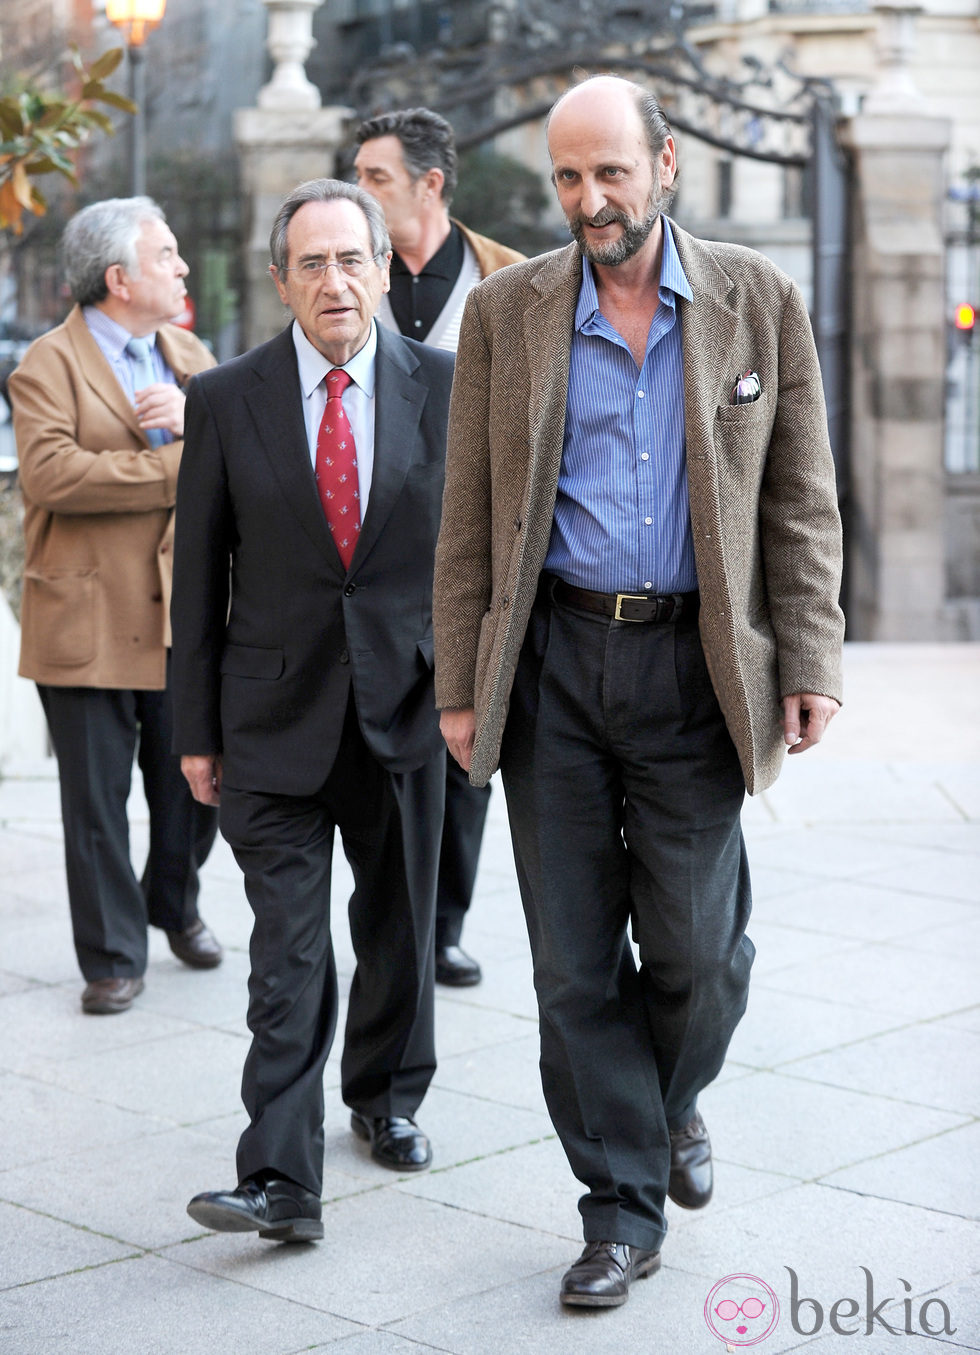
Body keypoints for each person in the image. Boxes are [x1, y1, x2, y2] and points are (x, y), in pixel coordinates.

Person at [433, 76, 845, 1309]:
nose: (587, 200)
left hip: (692, 663)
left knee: (696, 951)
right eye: (566, 178)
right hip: (553, 662)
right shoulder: (506, 314)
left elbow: (799, 496)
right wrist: (461, 682)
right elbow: (465, 515)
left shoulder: (756, 303)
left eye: (609, 172)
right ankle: (617, 1205)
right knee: (571, 963)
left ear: (663, 165)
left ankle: (666, 1106)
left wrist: (811, 658)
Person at [171, 178, 454, 1243]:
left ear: (383, 267)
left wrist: (475, 695)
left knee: (397, 928)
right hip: (269, 717)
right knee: (285, 950)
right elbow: (198, 576)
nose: (333, 281)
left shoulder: (448, 384)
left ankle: (384, 1094)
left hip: (411, 709)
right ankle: (280, 1178)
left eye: (352, 259)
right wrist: (194, 729)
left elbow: (472, 560)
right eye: (311, 263)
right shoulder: (227, 396)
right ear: (279, 278)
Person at [9, 197, 222, 1018]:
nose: (181, 267)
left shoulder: (190, 353)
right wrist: (179, 466)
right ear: (118, 278)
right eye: (165, 254)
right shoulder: (45, 364)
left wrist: (198, 417)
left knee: (194, 783)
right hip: (86, 618)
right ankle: (112, 955)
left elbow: (248, 448)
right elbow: (53, 476)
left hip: (181, 615)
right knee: (96, 802)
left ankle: (173, 903)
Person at [354, 108, 524, 987]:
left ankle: (444, 924)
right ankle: (391, 918)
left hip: (478, 561)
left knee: (469, 749)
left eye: (378, 179)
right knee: (382, 750)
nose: (363, 197)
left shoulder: (509, 279)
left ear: (431, 185)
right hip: (375, 558)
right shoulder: (352, 275)